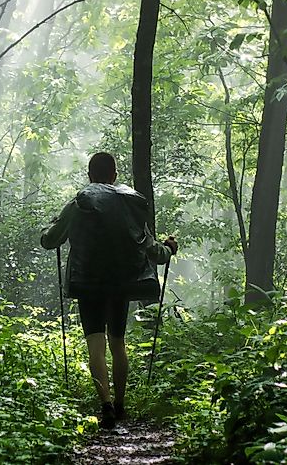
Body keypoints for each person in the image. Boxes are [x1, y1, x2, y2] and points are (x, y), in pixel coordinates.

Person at [40, 152, 178, 429]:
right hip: (122, 283)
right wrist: (170, 248)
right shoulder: (130, 205)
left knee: (96, 346)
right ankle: (120, 404)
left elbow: (49, 241)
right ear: (114, 176)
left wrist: (50, 226)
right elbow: (155, 252)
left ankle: (105, 406)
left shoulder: (78, 203)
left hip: (89, 283)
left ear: (90, 175)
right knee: (118, 344)